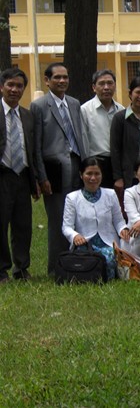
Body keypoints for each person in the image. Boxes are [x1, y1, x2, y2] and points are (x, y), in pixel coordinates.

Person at [31, 62, 89, 275]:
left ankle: (79, 261)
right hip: (54, 170)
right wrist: (41, 176)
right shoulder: (39, 106)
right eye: (57, 77)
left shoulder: (74, 103)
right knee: (58, 219)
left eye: (65, 77)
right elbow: (36, 145)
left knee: (79, 214)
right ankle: (56, 268)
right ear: (47, 81)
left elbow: (79, 134)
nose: (62, 81)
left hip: (77, 165)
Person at [62, 157, 130, 280]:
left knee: (109, 258)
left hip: (108, 243)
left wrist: (123, 229)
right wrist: (75, 236)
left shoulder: (110, 194)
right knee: (88, 262)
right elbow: (66, 227)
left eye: (97, 174)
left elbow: (119, 221)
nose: (93, 178)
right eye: (89, 174)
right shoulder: (72, 198)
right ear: (81, 175)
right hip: (85, 245)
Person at [0, 68, 39, 283]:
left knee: (23, 226)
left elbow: (33, 150)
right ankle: (1, 270)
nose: (14, 90)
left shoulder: (27, 115)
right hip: (2, 176)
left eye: (19, 86)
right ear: (2, 87)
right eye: (10, 85)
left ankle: (21, 268)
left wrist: (36, 181)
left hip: (22, 177)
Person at [110, 77, 140, 191]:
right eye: (138, 92)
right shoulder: (120, 118)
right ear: (130, 94)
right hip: (130, 175)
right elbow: (115, 149)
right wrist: (118, 177)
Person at [80, 69, 124, 188]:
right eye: (101, 84)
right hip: (96, 164)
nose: (106, 87)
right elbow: (83, 141)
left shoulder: (121, 110)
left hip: (118, 165)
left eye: (110, 83)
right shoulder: (85, 110)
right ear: (94, 87)